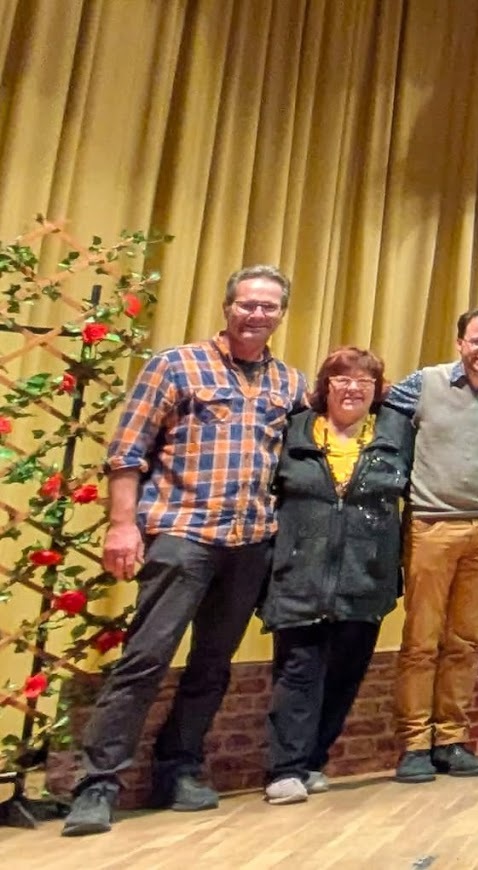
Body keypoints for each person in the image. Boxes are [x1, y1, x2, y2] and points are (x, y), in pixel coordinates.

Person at [65, 265, 306, 836]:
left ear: (280, 315)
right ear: (228, 307)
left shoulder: (289, 384)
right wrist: (122, 526)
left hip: (249, 543)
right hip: (181, 537)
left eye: (269, 307)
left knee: (211, 666)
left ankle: (179, 769)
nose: (257, 314)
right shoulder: (175, 365)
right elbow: (127, 452)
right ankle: (97, 786)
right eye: (247, 304)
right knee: (145, 659)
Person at [260, 347, 413, 805]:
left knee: (346, 673)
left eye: (364, 381)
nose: (352, 388)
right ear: (325, 387)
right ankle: (284, 768)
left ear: (377, 391)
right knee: (299, 671)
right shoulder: (294, 431)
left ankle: (313, 762)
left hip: (366, 575)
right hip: (300, 572)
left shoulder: (398, 432)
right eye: (342, 379)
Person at [386, 306, 478, 782]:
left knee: (466, 642)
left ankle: (450, 738)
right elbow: (380, 423)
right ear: (460, 343)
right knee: (422, 642)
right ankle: (414, 744)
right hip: (431, 525)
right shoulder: (423, 383)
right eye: (477, 341)